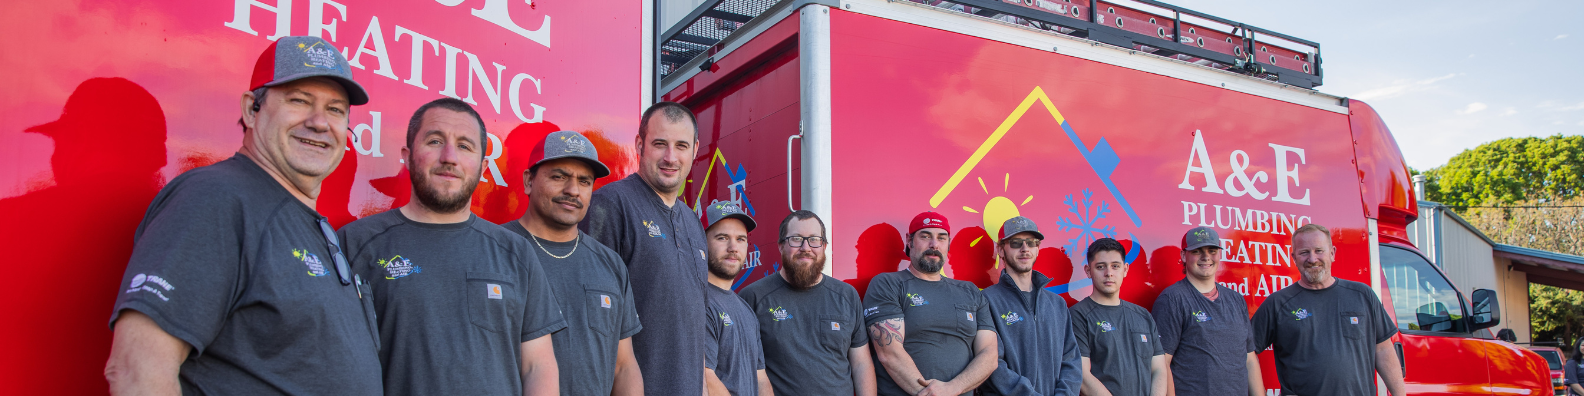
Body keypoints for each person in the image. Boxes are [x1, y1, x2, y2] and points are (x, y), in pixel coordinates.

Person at [102, 36, 382, 394]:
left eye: (336, 109)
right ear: (252, 109)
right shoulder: (216, 199)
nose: (319, 122)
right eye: (299, 101)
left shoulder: (308, 222)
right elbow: (137, 369)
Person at [338, 98, 564, 395]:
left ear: (483, 166)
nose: (449, 157)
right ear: (407, 156)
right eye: (434, 141)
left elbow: (538, 367)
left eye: (464, 146)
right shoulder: (354, 244)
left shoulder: (516, 253)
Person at [581, 101, 709, 395]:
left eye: (681, 146)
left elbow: (695, 320)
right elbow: (593, 320)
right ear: (639, 144)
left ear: (695, 150)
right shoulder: (610, 205)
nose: (670, 157)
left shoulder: (693, 222)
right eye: (660, 144)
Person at [501, 130, 643, 395]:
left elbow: (623, 366)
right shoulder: (495, 249)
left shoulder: (610, 264)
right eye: (559, 177)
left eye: (584, 181)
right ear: (529, 181)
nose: (572, 190)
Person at [1251, 224, 1406, 396]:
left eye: (1319, 250)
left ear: (1332, 253)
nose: (1312, 259)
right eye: (1304, 252)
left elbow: (1383, 350)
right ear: (1293, 257)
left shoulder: (1362, 295)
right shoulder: (1278, 304)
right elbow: (1246, 352)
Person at [740, 210, 878, 396]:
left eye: (814, 239)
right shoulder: (753, 297)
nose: (806, 247)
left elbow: (861, 362)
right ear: (781, 246)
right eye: (796, 239)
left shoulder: (846, 295)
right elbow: (745, 369)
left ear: (824, 246)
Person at [864, 212, 998, 396]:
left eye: (941, 238)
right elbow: (889, 353)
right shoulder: (888, 284)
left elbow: (989, 355)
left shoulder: (971, 292)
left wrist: (952, 389)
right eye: (925, 236)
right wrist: (929, 394)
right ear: (909, 241)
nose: (934, 244)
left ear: (948, 243)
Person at [1151, 226, 1263, 396]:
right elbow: (1161, 363)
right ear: (1183, 256)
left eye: (1212, 250)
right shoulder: (1172, 299)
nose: (1206, 257)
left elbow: (1250, 359)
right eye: (1197, 251)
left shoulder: (1236, 299)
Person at [979, 216, 1082, 396]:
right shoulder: (986, 300)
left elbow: (1071, 360)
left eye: (1031, 242)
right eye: (1016, 242)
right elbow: (990, 362)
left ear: (1037, 249)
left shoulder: (1057, 304)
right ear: (1001, 250)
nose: (1025, 249)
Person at [1070, 238, 1169, 396]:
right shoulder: (1078, 315)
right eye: (1100, 267)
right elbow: (1082, 375)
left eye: (1115, 266)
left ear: (1125, 269)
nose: (1108, 273)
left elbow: (1158, 369)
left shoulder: (1143, 315)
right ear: (1088, 271)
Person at [700, 201, 772, 396]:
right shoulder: (696, 301)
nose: (733, 247)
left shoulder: (745, 309)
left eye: (740, 239)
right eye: (722, 238)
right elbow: (704, 377)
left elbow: (760, 377)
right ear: (701, 242)